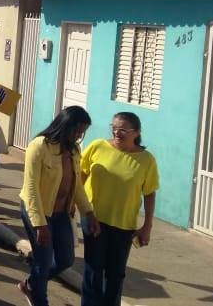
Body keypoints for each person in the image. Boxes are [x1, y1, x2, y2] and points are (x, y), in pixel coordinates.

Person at [18, 106, 101, 306]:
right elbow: (31, 188)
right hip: (38, 211)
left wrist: (89, 212)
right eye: (77, 131)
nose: (79, 136)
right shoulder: (39, 146)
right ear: (65, 125)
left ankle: (32, 284)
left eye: (82, 133)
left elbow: (77, 185)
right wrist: (40, 224)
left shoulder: (74, 150)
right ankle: (40, 300)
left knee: (66, 259)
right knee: (44, 261)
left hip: (62, 214)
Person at [79, 112, 159, 306]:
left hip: (124, 225)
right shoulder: (97, 146)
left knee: (115, 274)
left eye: (123, 129)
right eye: (113, 128)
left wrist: (147, 225)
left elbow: (149, 193)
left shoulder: (146, 160)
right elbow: (80, 175)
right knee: (93, 270)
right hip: (93, 218)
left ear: (136, 133)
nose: (117, 132)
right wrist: (75, 205)